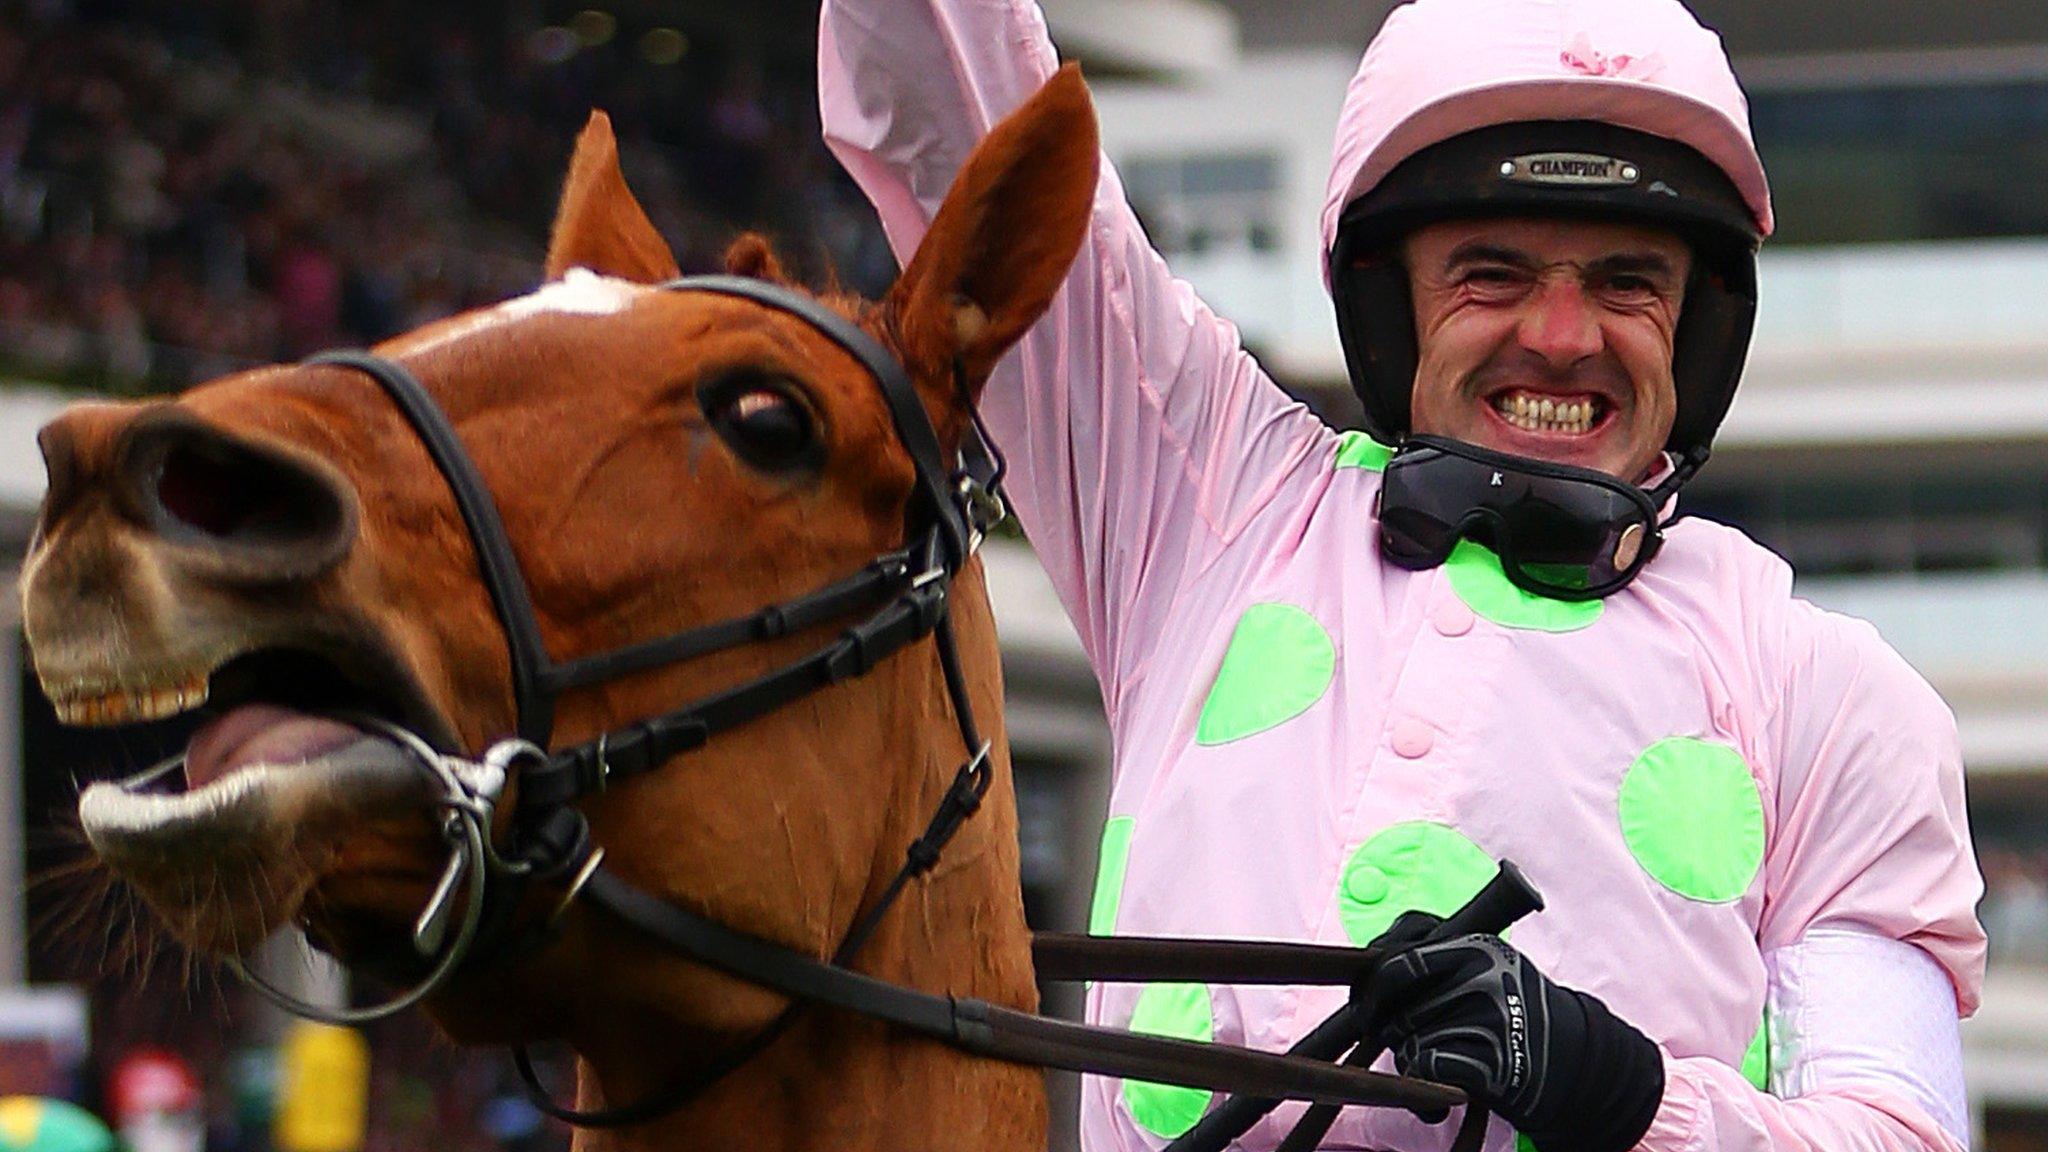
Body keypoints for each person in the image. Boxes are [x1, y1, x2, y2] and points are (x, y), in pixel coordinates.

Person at [817, 0, 1985, 1149]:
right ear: (1388, 312)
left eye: (1628, 282)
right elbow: (948, 98)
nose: (1564, 335)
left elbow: (1903, 1133)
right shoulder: (1202, 506)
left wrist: (1622, 1097)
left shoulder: (1835, 699)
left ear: (1693, 333)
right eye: (1491, 273)